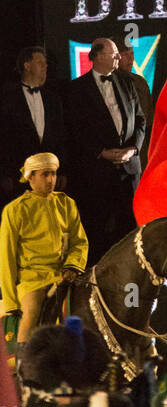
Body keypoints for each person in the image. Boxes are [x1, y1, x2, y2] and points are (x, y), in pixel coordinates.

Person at [63, 37, 145, 263]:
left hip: (129, 170)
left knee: (131, 228)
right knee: (100, 230)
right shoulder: (76, 89)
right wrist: (101, 152)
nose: (119, 57)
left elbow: (140, 120)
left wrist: (133, 150)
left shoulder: (128, 82)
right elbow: (75, 129)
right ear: (97, 56)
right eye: (114, 53)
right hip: (97, 172)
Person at [0, 152, 88, 344]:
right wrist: (10, 301)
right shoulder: (14, 210)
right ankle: (24, 365)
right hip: (33, 280)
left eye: (54, 174)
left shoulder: (66, 203)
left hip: (66, 275)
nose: (51, 180)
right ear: (30, 176)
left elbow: (80, 242)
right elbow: (6, 258)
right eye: (45, 174)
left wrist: (72, 267)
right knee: (31, 313)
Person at [0, 46, 67, 207]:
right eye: (40, 63)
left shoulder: (52, 99)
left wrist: (63, 170)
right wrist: (4, 174)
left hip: (50, 177)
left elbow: (61, 137)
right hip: (19, 177)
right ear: (27, 65)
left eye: (46, 64)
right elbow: (3, 139)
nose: (45, 67)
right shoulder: (7, 98)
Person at [116, 42, 153, 133]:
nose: (130, 58)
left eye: (132, 53)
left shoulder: (140, 82)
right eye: (125, 54)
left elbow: (149, 118)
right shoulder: (108, 83)